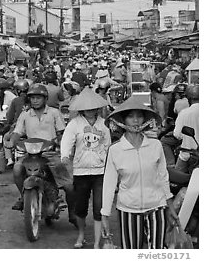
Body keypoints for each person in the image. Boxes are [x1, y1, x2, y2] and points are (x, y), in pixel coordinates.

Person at [101, 96, 179, 249]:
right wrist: (105, 215)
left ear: (145, 120)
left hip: (157, 206)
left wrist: (170, 207)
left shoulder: (155, 145)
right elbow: (109, 184)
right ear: (123, 121)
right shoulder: (115, 150)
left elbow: (163, 177)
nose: (135, 120)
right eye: (131, 116)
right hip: (128, 209)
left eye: (139, 116)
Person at [9, 84, 72, 215]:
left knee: (68, 184)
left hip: (50, 153)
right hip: (30, 154)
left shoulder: (54, 113)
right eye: (32, 98)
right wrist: (11, 142)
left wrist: (61, 143)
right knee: (17, 169)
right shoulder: (25, 114)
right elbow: (17, 132)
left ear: (45, 99)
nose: (35, 100)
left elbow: (61, 132)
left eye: (38, 98)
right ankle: (23, 195)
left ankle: (70, 209)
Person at [61, 87, 111, 249]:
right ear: (82, 109)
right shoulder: (74, 124)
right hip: (80, 171)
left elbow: (108, 146)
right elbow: (67, 141)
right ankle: (81, 234)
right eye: (87, 108)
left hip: (100, 172)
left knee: (99, 208)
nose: (90, 111)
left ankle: (97, 243)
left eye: (93, 108)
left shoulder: (104, 125)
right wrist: (65, 156)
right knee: (80, 208)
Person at [172, 84, 199, 173]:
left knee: (176, 180)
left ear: (189, 99)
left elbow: (177, 134)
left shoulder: (184, 113)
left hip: (187, 154)